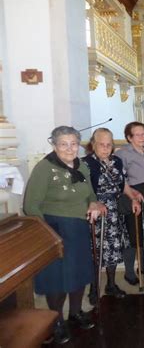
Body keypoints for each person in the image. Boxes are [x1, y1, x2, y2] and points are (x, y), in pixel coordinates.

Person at [23, 126, 106, 344]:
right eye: (63, 144)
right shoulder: (45, 168)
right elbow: (31, 205)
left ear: (78, 145)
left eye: (73, 144)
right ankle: (56, 320)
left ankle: (75, 312)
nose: (69, 148)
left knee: (78, 274)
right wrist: (48, 234)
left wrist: (94, 204)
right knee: (57, 279)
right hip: (55, 229)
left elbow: (90, 193)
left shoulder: (82, 166)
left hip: (79, 228)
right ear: (54, 145)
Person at [82, 128, 143, 303]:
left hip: (115, 211)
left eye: (109, 144)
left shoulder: (116, 161)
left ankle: (110, 284)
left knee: (114, 248)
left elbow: (123, 184)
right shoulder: (85, 163)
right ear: (93, 144)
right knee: (96, 250)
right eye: (101, 144)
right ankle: (94, 289)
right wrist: (93, 203)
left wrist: (132, 198)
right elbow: (83, 190)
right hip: (96, 211)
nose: (105, 148)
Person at [116, 122, 144, 285]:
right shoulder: (122, 153)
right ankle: (128, 271)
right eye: (137, 134)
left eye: (143, 134)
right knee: (132, 235)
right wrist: (132, 194)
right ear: (129, 137)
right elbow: (121, 178)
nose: (142, 137)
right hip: (133, 195)